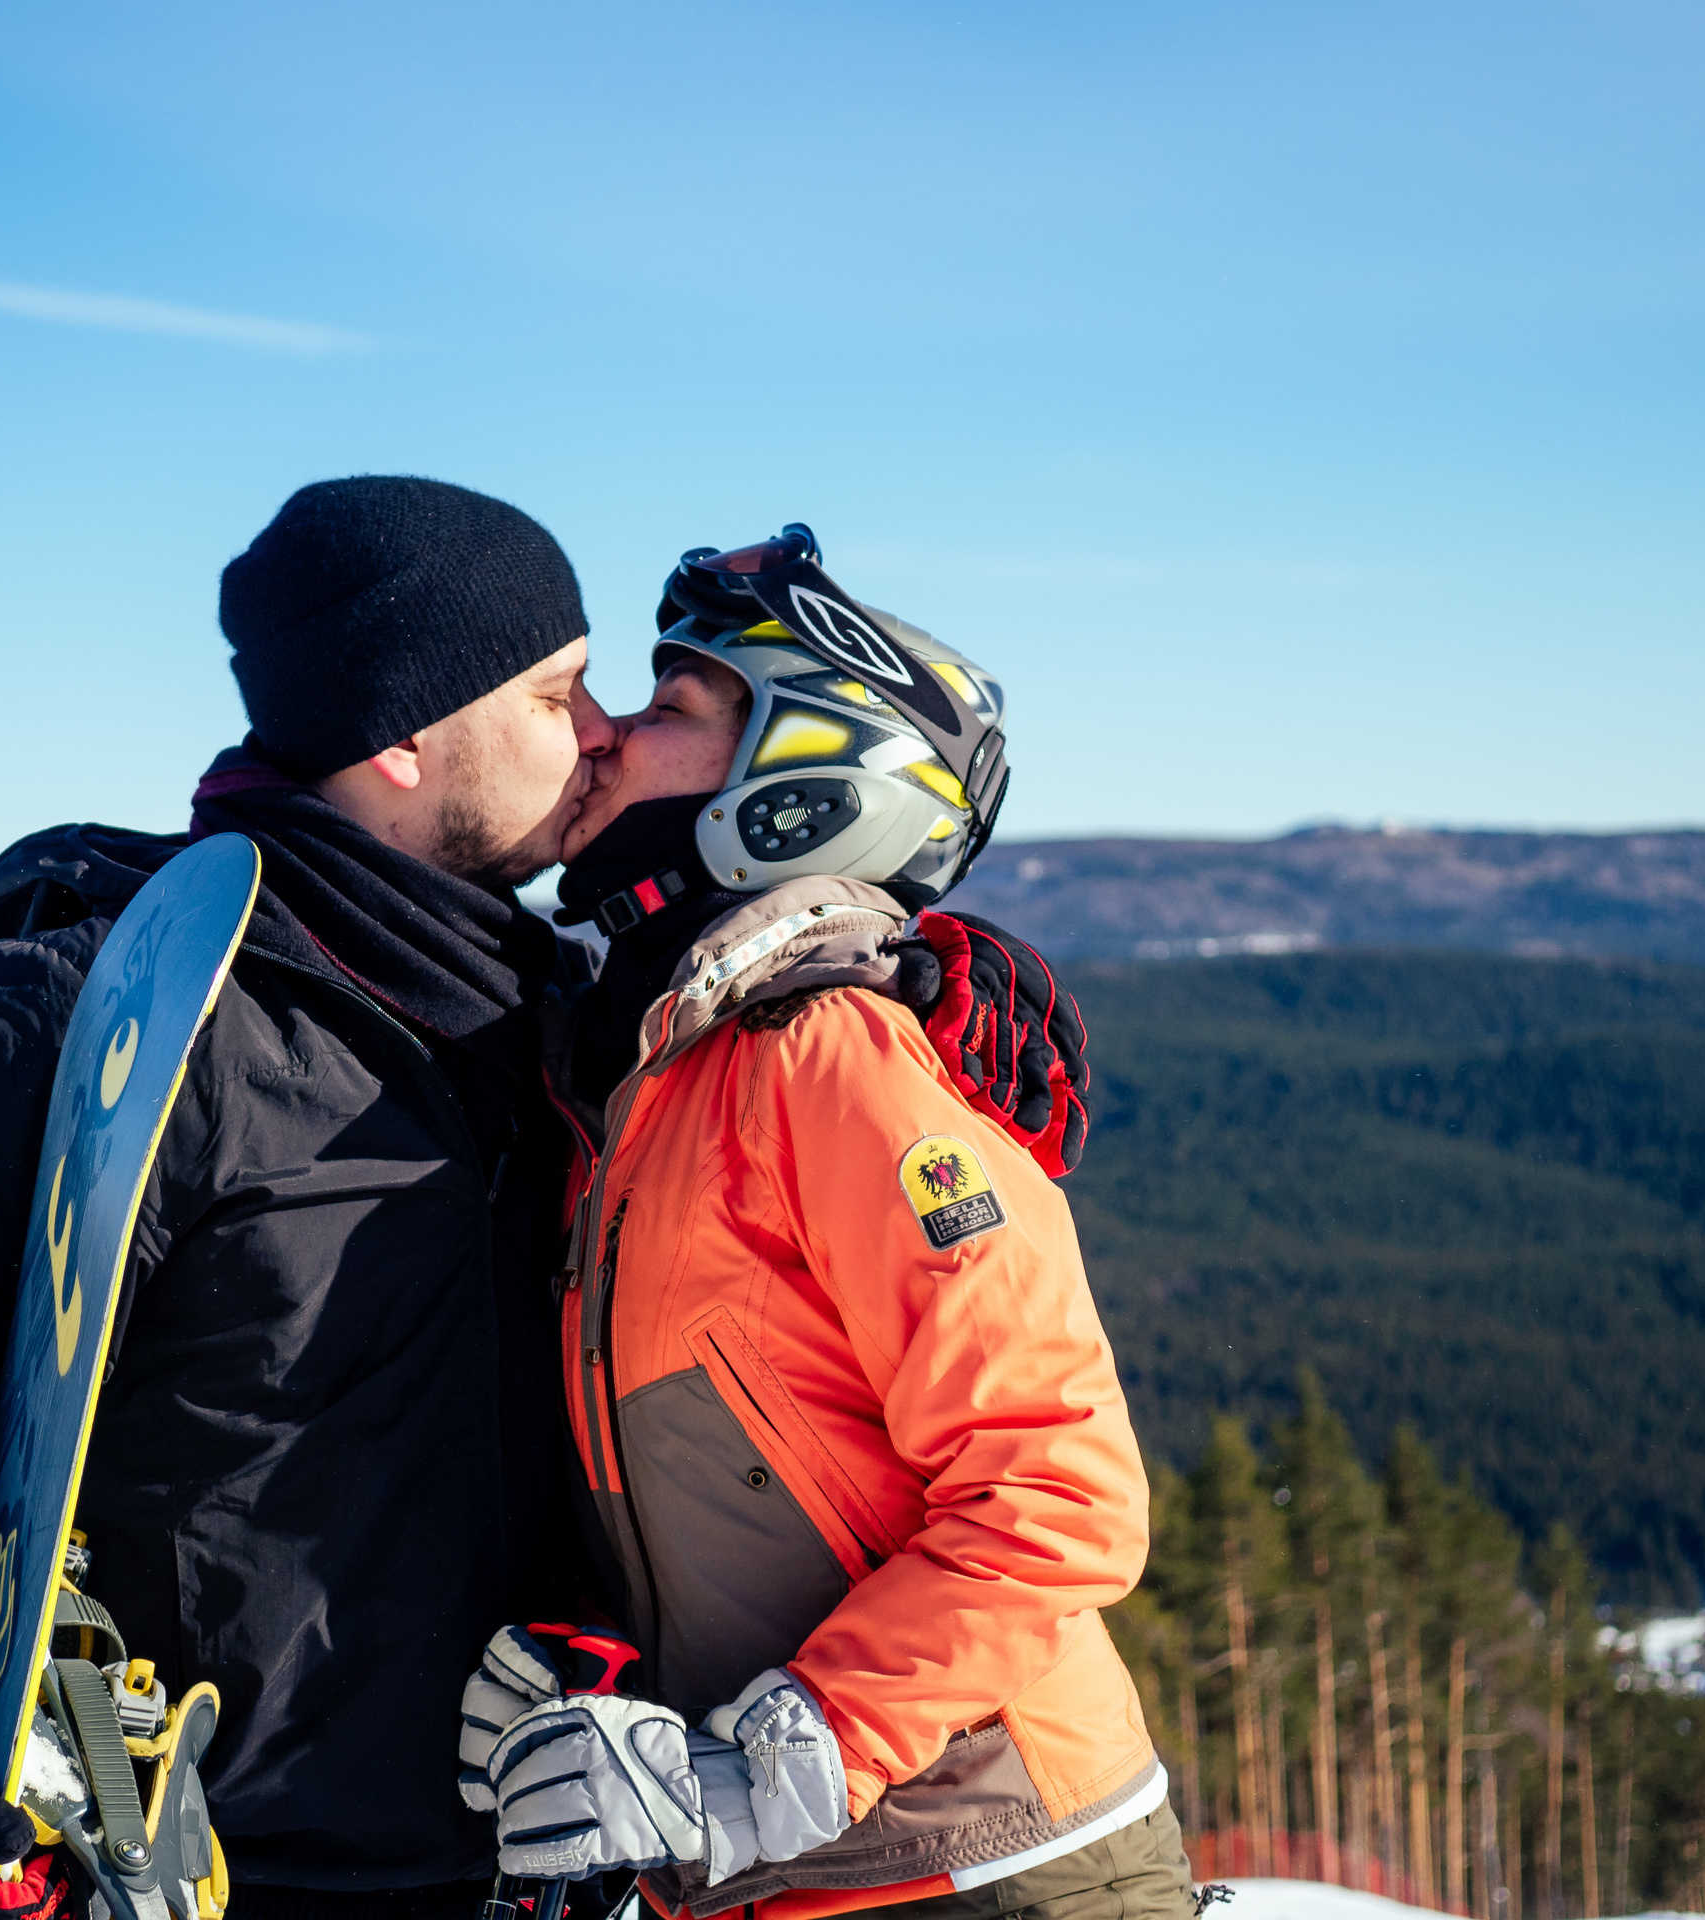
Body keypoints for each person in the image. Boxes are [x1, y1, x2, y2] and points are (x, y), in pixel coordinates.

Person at [0, 475, 622, 1920]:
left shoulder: (552, 1031)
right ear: (404, 734)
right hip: (174, 1873)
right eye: (558, 694)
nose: (598, 733)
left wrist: (911, 977)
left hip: (499, 1868)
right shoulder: (102, 1021)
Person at [456, 528, 1186, 1920]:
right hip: (792, 1873)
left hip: (993, 1862)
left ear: (797, 785)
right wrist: (595, 1655)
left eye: (669, 709)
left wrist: (766, 1765)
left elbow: (1057, 1495)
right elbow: (739, 1470)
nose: (602, 737)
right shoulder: (643, 1082)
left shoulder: (829, 1055)